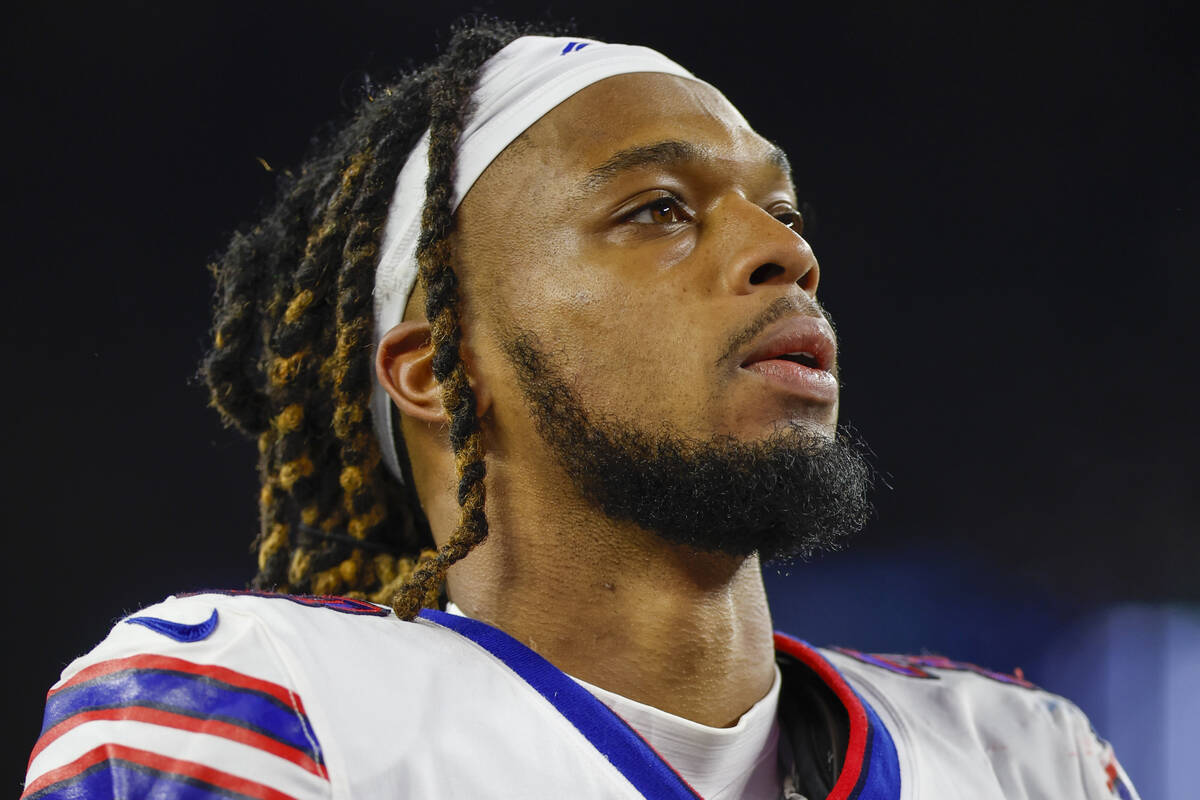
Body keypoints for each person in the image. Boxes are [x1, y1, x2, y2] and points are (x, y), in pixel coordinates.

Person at [23, 19, 1139, 800]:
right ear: (436, 369)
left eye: (781, 207)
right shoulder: (262, 704)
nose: (786, 252)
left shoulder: (1031, 759)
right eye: (658, 210)